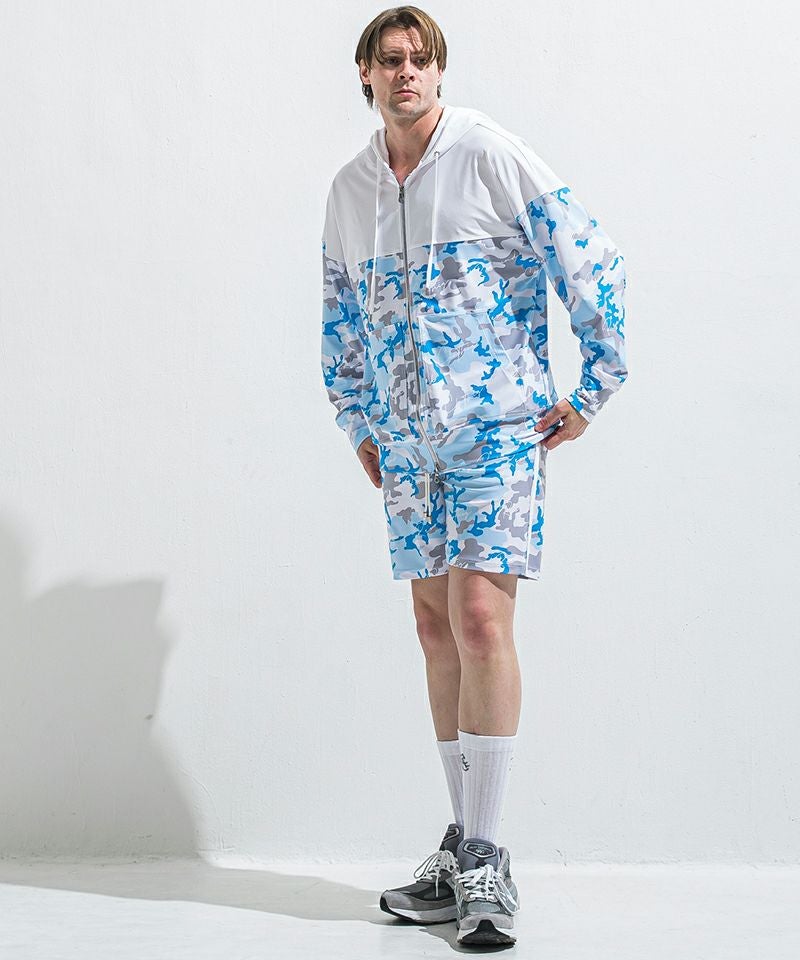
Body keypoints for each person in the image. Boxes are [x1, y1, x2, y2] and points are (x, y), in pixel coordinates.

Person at [320, 5, 628, 948]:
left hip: (495, 430)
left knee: (482, 619)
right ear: (366, 75)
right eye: (390, 60)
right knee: (432, 629)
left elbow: (590, 254)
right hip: (405, 447)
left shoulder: (488, 153)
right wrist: (359, 419)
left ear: (439, 71)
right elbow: (338, 314)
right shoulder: (350, 191)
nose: (407, 73)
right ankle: (461, 849)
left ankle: (489, 856)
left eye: (422, 59)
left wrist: (593, 385)